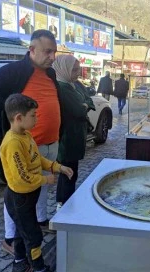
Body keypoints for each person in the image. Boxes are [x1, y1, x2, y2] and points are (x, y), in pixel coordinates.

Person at [0, 29, 60, 255]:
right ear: (32, 50)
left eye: (54, 52)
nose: (52, 57)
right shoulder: (14, 71)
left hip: (49, 143)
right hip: (24, 146)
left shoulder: (51, 74)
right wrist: (8, 105)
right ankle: (10, 238)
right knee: (17, 194)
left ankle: (40, 220)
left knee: (42, 184)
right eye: (47, 52)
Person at [1, 94, 73, 272]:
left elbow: (37, 158)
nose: (36, 118)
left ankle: (19, 263)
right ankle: (39, 267)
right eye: (33, 115)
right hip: (19, 197)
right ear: (19, 118)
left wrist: (57, 167)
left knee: (22, 230)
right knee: (33, 236)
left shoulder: (25, 135)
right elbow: (21, 178)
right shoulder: (12, 143)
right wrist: (45, 179)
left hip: (28, 197)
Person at [52, 55, 92, 210]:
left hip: (76, 135)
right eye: (74, 69)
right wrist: (83, 106)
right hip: (67, 137)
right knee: (67, 171)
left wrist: (84, 105)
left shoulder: (75, 84)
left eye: (78, 69)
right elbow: (79, 110)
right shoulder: (62, 87)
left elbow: (89, 102)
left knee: (73, 171)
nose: (78, 73)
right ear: (64, 69)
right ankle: (63, 204)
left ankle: (69, 201)